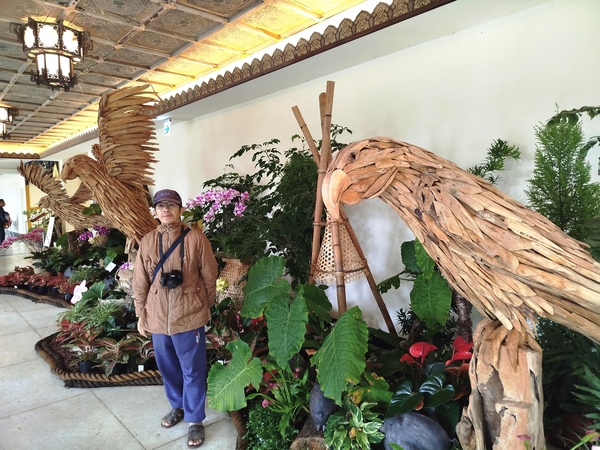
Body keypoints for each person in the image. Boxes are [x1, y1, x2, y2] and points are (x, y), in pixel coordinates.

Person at [133, 189, 218, 449]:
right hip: (158, 317)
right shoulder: (148, 241)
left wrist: (206, 306)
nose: (166, 210)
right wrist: (141, 314)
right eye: (161, 206)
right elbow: (140, 281)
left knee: (193, 369)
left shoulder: (196, 238)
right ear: (155, 211)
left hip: (189, 315)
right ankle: (177, 406)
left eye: (171, 205)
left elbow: (210, 275)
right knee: (168, 367)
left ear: (180, 209)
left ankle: (195, 419)